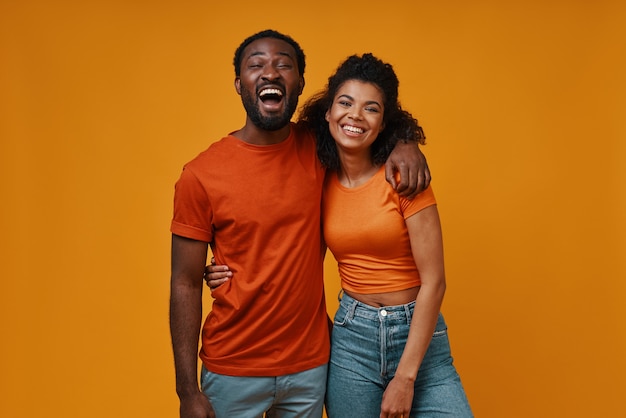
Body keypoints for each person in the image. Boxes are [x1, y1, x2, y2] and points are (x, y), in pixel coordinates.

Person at [169, 30, 431, 418]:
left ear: (301, 84)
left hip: (310, 367)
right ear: (240, 83)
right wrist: (187, 391)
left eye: (284, 65)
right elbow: (184, 282)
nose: (270, 72)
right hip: (232, 367)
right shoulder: (201, 175)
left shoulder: (318, 148)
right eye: (256, 64)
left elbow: (363, 125)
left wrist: (407, 141)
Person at [302, 53, 473, 417]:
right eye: (345, 103)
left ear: (383, 124)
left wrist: (405, 378)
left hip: (420, 341)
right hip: (352, 341)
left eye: (371, 109)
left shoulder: (404, 178)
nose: (355, 116)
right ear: (328, 113)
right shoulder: (317, 179)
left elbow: (435, 282)